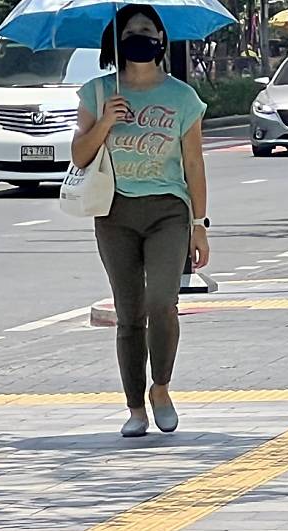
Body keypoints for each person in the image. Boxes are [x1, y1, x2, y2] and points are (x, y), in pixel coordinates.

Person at [71, 5, 211, 438]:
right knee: (129, 314)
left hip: (169, 210)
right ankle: (134, 406)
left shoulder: (182, 98)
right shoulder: (97, 93)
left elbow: (193, 161)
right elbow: (79, 155)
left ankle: (161, 388)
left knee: (162, 303)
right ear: (116, 41)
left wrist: (200, 223)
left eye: (148, 30)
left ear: (162, 40)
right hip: (115, 213)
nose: (140, 37)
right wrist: (106, 121)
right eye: (131, 31)